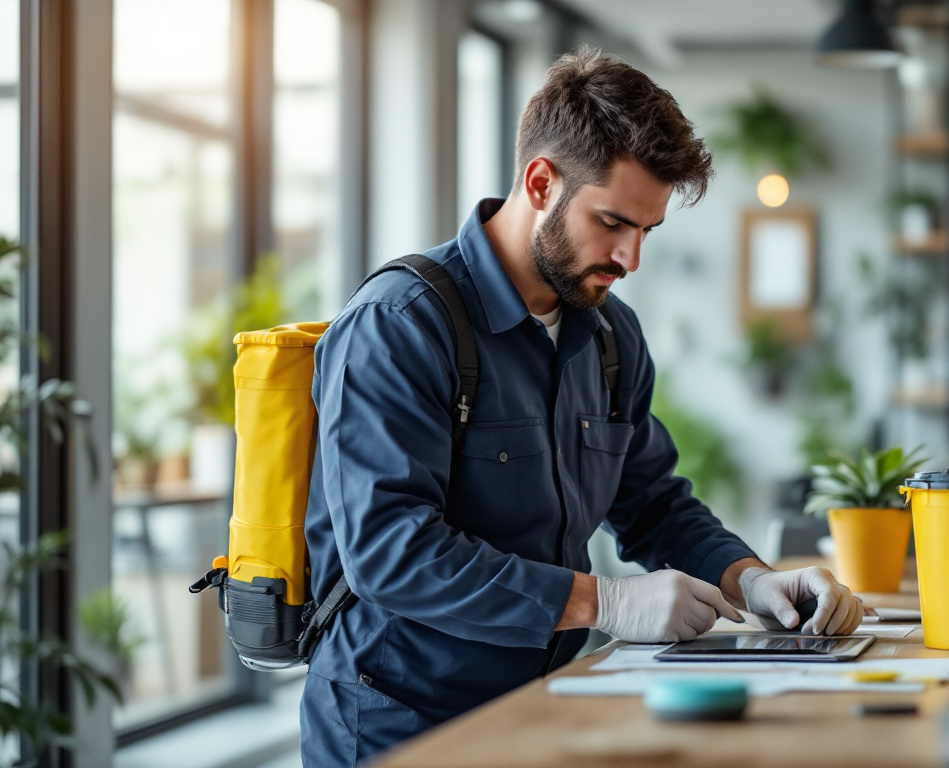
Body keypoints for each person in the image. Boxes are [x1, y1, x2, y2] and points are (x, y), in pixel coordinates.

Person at [300, 46, 865, 765]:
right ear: (541, 182)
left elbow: (653, 504)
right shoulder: (400, 325)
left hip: (544, 707)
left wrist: (753, 579)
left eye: (647, 231)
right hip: (400, 725)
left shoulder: (610, 336)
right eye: (614, 223)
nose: (631, 259)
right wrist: (607, 603)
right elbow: (392, 552)